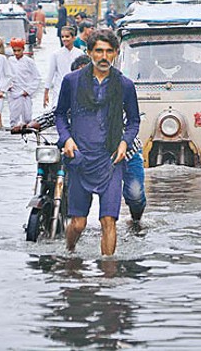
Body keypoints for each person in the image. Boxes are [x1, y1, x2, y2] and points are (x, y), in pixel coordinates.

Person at [18, 52, 147, 224]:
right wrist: (30, 125)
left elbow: (131, 121)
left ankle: (136, 221)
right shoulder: (74, 93)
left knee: (135, 194)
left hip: (124, 153)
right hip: (86, 153)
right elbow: (56, 114)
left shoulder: (115, 93)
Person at [56, 29, 140, 255]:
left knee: (108, 221)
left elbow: (133, 121)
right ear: (90, 52)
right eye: (99, 51)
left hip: (111, 159)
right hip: (80, 158)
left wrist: (125, 143)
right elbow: (60, 115)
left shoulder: (124, 85)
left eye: (109, 52)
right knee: (78, 223)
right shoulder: (71, 82)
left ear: (115, 54)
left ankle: (108, 275)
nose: (104, 57)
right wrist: (67, 139)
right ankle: (70, 254)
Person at [43, 26, 84, 108]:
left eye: (67, 36)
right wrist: (46, 93)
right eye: (62, 37)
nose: (64, 39)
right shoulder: (56, 54)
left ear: (73, 38)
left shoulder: (80, 54)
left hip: (75, 89)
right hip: (59, 89)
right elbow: (50, 74)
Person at [8, 38, 41, 128]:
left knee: (27, 118)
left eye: (19, 50)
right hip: (14, 93)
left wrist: (28, 90)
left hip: (26, 93)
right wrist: (8, 85)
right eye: (14, 50)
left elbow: (37, 78)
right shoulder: (10, 61)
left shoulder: (29, 62)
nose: (16, 53)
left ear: (23, 49)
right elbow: (6, 76)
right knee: (13, 118)